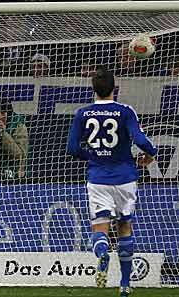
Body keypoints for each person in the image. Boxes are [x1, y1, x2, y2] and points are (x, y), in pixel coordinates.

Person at [66, 66, 157, 297]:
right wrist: (151, 153)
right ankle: (125, 283)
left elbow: (72, 149)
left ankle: (103, 252)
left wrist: (94, 156)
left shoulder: (82, 114)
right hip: (125, 177)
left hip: (98, 178)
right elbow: (140, 139)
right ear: (114, 89)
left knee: (99, 228)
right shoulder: (125, 111)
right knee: (125, 226)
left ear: (93, 89)